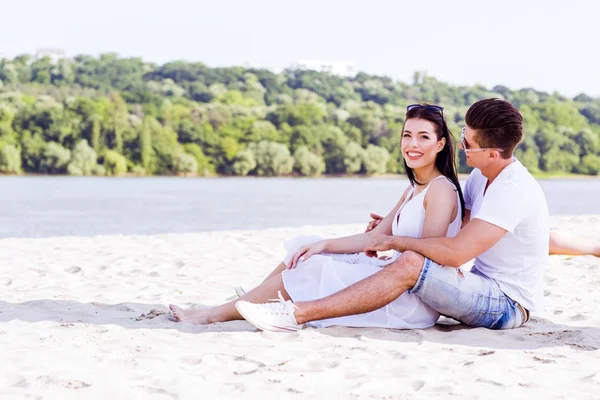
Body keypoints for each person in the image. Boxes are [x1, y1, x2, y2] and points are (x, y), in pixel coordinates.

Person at [234, 98, 550, 332]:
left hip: (506, 303)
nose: (462, 142)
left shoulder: (513, 189)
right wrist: (392, 227)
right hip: (478, 283)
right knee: (319, 249)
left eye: (467, 141)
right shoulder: (481, 176)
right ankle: (253, 300)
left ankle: (296, 314)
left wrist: (393, 240)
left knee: (411, 261)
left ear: (492, 153)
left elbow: (453, 253)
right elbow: (464, 223)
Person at [169, 103, 465, 329]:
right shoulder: (414, 188)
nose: (412, 144)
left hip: (407, 300)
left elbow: (430, 260)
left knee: (315, 269)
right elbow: (373, 239)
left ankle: (215, 313)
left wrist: (388, 245)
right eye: (407, 135)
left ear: (440, 144)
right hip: (391, 276)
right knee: (307, 246)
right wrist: (324, 244)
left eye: (423, 137)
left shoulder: (440, 190)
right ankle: (255, 300)